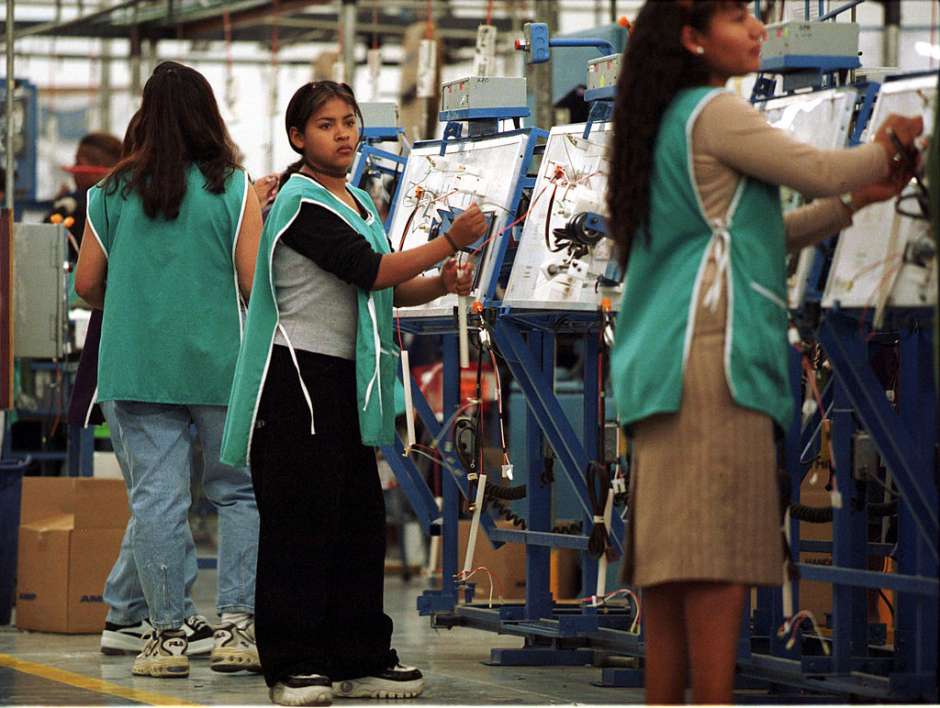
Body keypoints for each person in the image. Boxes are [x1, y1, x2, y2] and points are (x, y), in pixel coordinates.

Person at [606, 2, 922, 704]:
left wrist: (855, 204)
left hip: (662, 370)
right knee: (716, 565)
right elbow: (814, 166)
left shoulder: (662, 124)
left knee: (670, 570)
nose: (757, 29)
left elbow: (755, 236)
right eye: (737, 17)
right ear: (693, 39)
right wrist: (899, 138)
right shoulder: (713, 112)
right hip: (711, 369)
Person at [220, 80, 485, 707]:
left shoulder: (361, 204)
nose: (343, 133)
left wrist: (442, 280)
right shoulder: (301, 203)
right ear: (297, 139)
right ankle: (294, 664)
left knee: (357, 521)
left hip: (346, 380)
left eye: (350, 121)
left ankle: (359, 655)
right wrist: (448, 241)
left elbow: (384, 290)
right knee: (300, 523)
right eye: (326, 124)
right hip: (295, 381)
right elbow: (366, 269)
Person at [74, 61, 264, 680]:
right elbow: (250, 282)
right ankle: (237, 626)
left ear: (144, 115)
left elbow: (85, 286)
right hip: (219, 365)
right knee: (237, 494)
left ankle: (164, 637)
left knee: (158, 502)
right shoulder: (235, 188)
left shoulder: (109, 193)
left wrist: (133, 302)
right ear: (209, 113)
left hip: (134, 366)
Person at [47, 132, 123, 261]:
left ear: (100, 168)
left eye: (78, 162)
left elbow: (45, 237)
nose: (74, 169)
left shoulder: (77, 206)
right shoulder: (125, 201)